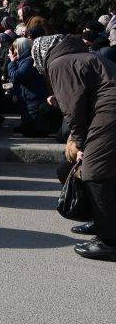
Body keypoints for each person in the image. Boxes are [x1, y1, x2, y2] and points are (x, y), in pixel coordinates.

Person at [36, 34, 116, 261]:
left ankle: (110, 241)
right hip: (107, 111)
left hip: (109, 112)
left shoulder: (58, 63)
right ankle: (102, 222)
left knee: (96, 171)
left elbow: (73, 110)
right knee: (102, 171)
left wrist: (80, 144)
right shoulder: (80, 56)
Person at [7, 37, 61, 138]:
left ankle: (40, 129)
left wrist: (11, 63)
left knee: (31, 131)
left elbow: (17, 76)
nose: (14, 52)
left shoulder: (28, 60)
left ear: (21, 48)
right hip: (28, 97)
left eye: (16, 49)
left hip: (33, 97)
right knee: (27, 122)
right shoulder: (23, 59)